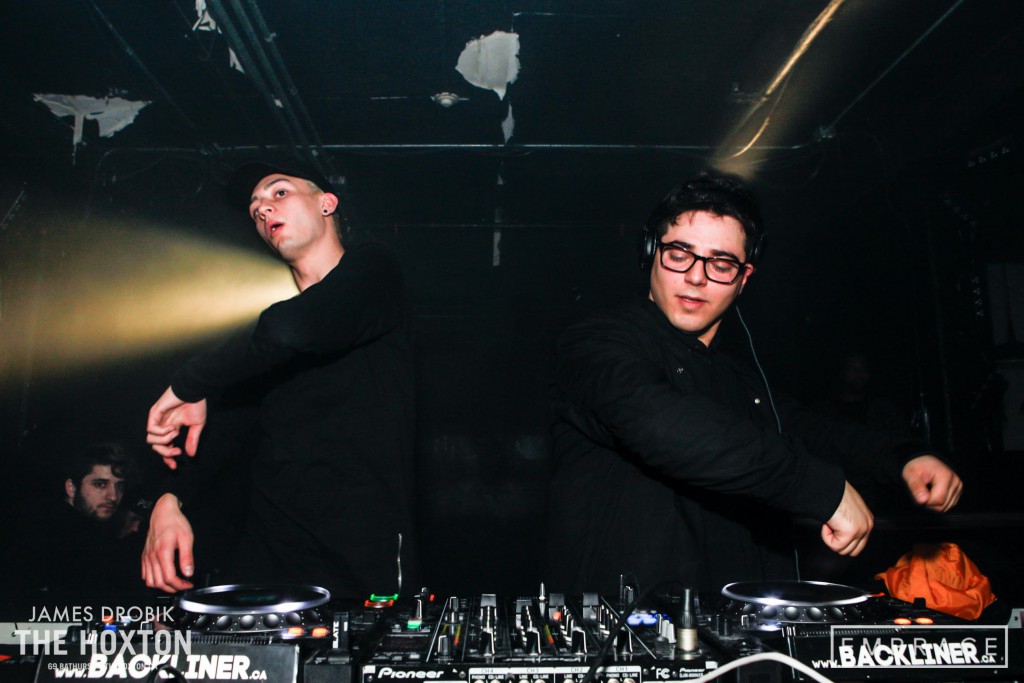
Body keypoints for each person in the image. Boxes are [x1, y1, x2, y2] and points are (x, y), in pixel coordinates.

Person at [545, 172, 963, 595]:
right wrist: (818, 488)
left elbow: (807, 430)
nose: (696, 277)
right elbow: (661, 423)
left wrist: (902, 456)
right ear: (651, 253)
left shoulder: (740, 378)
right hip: (625, 625)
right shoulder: (596, 344)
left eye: (721, 264)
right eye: (680, 254)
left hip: (733, 623)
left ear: (744, 278)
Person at [142, 160, 418, 599]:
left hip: (362, 560)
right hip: (271, 559)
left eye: (279, 193)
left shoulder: (374, 271)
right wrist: (169, 500)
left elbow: (294, 329)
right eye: (255, 209)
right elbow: (223, 432)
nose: (263, 209)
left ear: (327, 203)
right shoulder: (263, 343)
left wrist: (191, 382)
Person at [5, 442, 143, 596]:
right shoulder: (49, 536)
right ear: (71, 488)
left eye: (120, 487)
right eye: (100, 484)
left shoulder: (93, 535)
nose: (113, 496)